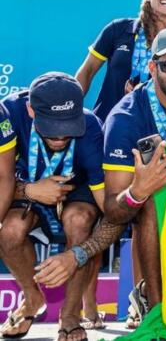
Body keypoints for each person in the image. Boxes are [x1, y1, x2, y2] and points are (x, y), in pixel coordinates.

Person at [33, 28, 166, 316]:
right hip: (148, 201)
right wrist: (138, 190)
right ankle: (154, 308)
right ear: (152, 68)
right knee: (150, 202)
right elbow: (114, 210)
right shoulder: (124, 119)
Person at [0, 73, 104, 341]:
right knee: (9, 231)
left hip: (76, 190)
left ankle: (70, 316)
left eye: (68, 125)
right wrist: (30, 190)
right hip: (27, 185)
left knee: (79, 220)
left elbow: (106, 204)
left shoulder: (91, 126)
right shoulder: (8, 113)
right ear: (31, 110)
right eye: (51, 126)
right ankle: (32, 299)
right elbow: (2, 178)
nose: (59, 135)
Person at [75, 0, 166, 121]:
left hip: (155, 128)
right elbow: (87, 71)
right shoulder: (118, 29)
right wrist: (70, 108)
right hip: (107, 122)